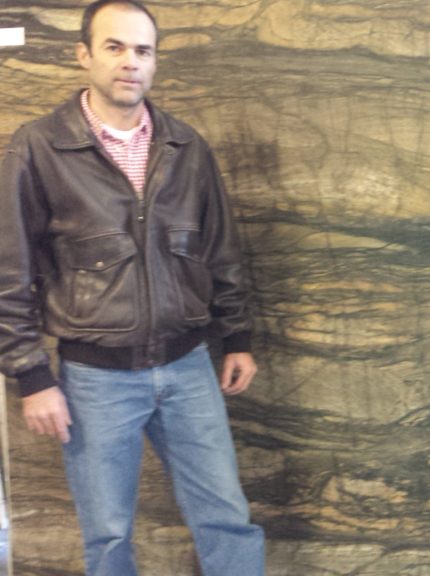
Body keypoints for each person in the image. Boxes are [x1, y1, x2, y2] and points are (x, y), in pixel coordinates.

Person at [0, 0, 265, 574]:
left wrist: (237, 335)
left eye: (143, 50)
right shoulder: (38, 148)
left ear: (155, 61)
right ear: (84, 55)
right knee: (108, 535)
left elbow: (219, 247)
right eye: (115, 47)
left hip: (188, 367)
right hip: (96, 378)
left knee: (227, 518)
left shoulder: (186, 147)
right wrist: (30, 374)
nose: (130, 62)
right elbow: (8, 270)